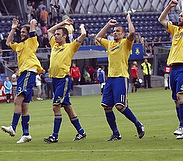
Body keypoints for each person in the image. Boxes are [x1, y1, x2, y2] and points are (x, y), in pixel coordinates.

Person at [95, 13, 145, 141]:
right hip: (110, 78)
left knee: (120, 106)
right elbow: (98, 37)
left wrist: (128, 19)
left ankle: (139, 124)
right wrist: (108, 25)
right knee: (106, 106)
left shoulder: (125, 43)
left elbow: (132, 33)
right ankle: (116, 133)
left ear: (123, 34)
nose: (115, 33)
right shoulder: (110, 44)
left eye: (118, 31)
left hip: (121, 77)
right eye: (114, 31)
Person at [158, 0, 183, 139]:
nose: (180, 17)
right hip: (173, 68)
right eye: (178, 15)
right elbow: (161, 20)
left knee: (180, 95)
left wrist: (182, 2)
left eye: (181, 16)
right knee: (175, 99)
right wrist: (169, 7)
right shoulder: (176, 30)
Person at [44, 19, 86, 143]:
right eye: (55, 34)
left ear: (64, 36)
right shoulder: (54, 45)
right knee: (67, 107)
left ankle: (54, 136)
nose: (55, 36)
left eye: (58, 34)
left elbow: (83, 35)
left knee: (55, 106)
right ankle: (81, 132)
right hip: (55, 80)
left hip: (63, 80)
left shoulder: (70, 46)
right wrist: (62, 23)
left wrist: (82, 26)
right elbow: (50, 30)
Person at [1, 19, 43, 143]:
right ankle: (26, 134)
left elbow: (33, 33)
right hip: (23, 74)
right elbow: (8, 43)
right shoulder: (20, 45)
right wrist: (13, 28)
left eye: (24, 32)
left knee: (17, 100)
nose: (22, 34)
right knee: (24, 106)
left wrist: (32, 24)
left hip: (28, 72)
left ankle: (13, 127)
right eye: (22, 32)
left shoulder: (32, 41)